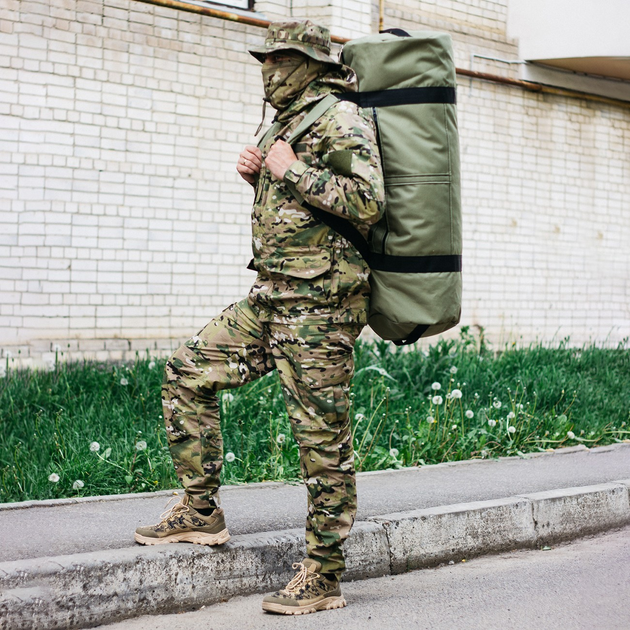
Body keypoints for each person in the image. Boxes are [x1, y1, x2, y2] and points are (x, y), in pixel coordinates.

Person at [134, 19, 385, 615]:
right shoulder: (286, 122)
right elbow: (297, 211)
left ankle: (323, 577)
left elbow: (369, 201)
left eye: (278, 61)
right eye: (264, 61)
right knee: (186, 371)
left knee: (320, 442)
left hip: (321, 307)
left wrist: (287, 169)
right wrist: (260, 177)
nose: (267, 71)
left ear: (310, 64)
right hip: (271, 299)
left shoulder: (339, 116)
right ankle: (201, 511)